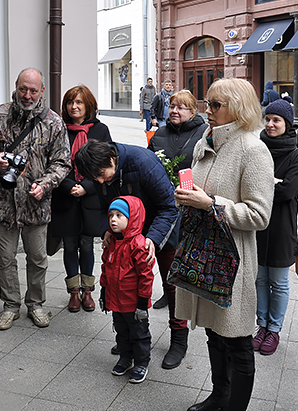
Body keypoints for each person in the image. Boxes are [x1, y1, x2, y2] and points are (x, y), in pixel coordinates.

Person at [174, 78, 274, 411]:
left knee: (237, 340)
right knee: (213, 333)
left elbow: (260, 215)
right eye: (207, 103)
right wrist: (187, 199)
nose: (208, 110)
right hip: (202, 252)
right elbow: (199, 191)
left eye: (216, 104)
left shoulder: (253, 148)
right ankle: (219, 395)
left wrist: (211, 203)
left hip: (232, 259)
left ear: (238, 107)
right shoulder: (207, 140)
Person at [0, 68, 71, 330]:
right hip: (1, 202)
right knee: (5, 259)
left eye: (33, 90)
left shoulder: (54, 122)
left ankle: (36, 304)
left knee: (37, 258)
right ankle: (10, 305)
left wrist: (45, 184)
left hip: (35, 203)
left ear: (42, 91)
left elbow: (62, 163)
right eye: (23, 89)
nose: (27, 95)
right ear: (16, 86)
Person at [73, 138, 179, 367]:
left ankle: (179, 341)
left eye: (103, 174)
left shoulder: (142, 162)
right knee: (124, 282)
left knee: (172, 285)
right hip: (126, 234)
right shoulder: (102, 173)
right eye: (96, 178)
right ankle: (129, 341)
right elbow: (104, 207)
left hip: (160, 228)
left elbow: (169, 206)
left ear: (112, 158)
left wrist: (152, 239)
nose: (101, 181)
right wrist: (106, 230)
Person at [145, 89, 208, 367]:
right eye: (172, 106)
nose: (175, 111)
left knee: (177, 282)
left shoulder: (203, 133)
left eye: (182, 107)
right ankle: (135, 336)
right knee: (163, 273)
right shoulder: (158, 135)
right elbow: (149, 167)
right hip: (160, 212)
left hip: (189, 214)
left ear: (193, 111)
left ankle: (179, 340)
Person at [49, 85, 112, 313]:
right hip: (65, 197)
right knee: (69, 245)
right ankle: (73, 293)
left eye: (79, 102)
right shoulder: (58, 130)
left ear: (88, 106)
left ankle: (88, 291)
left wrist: (86, 186)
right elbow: (51, 162)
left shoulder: (100, 130)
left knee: (86, 245)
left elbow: (107, 165)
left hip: (90, 199)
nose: (74, 107)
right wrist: (69, 187)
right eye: (70, 102)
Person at [253, 98, 298, 356]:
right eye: (268, 119)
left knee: (279, 282)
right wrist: (272, 182)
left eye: (277, 120)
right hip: (258, 223)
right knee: (260, 278)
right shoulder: (257, 149)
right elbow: (249, 183)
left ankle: (274, 329)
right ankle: (261, 325)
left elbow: (288, 191)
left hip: (282, 226)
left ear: (287, 123)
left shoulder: (297, 156)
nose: (270, 124)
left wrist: (266, 184)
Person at [100, 196, 154, 384]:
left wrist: (142, 303)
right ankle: (125, 357)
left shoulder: (138, 244)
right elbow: (106, 267)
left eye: (119, 215)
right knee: (121, 332)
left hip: (133, 302)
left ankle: (141, 362)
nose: (113, 219)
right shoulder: (112, 242)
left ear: (132, 218)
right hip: (116, 300)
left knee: (139, 333)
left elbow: (146, 275)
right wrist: (103, 291)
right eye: (111, 215)